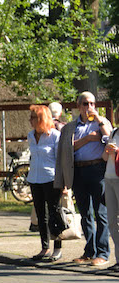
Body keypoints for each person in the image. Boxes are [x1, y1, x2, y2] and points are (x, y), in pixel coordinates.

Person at [54, 91, 112, 267]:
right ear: (79, 106)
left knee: (100, 213)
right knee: (85, 214)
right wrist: (88, 139)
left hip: (97, 170)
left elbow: (109, 139)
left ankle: (102, 253)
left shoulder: (101, 123)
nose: (90, 107)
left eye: (92, 103)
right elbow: (65, 150)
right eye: (85, 104)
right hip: (78, 171)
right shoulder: (70, 128)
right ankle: (90, 251)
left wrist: (99, 122)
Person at [26, 105, 64, 262]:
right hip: (35, 178)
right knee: (41, 214)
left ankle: (58, 247)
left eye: (33, 117)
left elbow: (60, 160)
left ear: (41, 119)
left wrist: (64, 183)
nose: (30, 120)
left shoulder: (54, 135)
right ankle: (44, 246)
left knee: (55, 213)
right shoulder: (30, 135)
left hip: (51, 178)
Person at [102, 125, 119, 271]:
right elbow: (104, 157)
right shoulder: (114, 132)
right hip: (109, 177)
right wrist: (107, 150)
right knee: (112, 221)